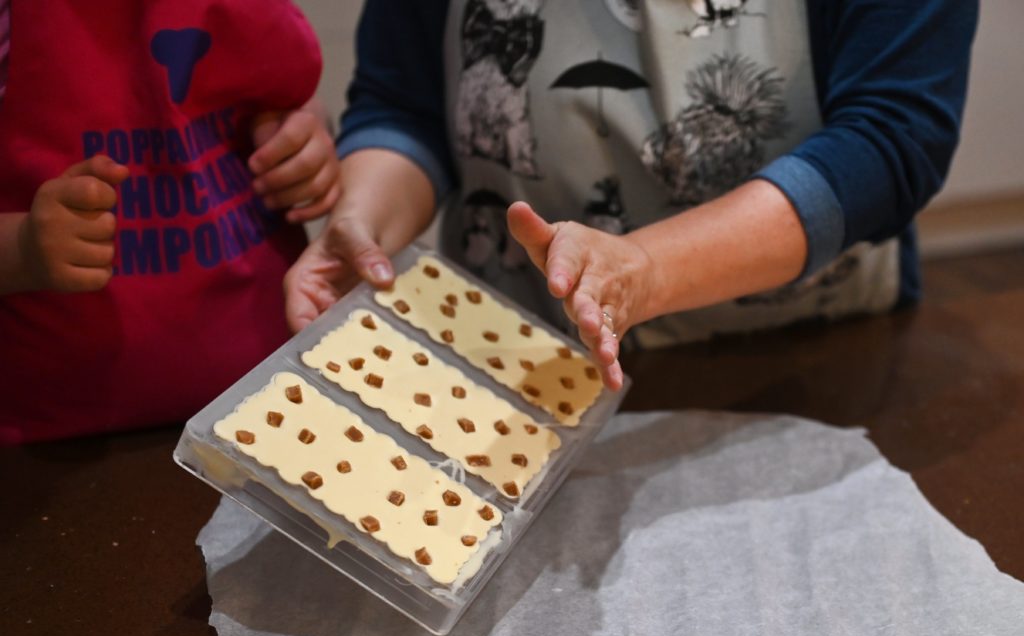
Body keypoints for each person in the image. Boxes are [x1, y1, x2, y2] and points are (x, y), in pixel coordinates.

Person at [285, 0, 978, 392]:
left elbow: (891, 138)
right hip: (518, 371)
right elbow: (405, 107)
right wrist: (362, 221)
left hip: (803, 369)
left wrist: (643, 269)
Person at [0, 0, 339, 445]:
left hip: (273, 409)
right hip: (62, 445)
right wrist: (23, 251)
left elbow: (282, 89)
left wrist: (305, 134)